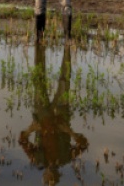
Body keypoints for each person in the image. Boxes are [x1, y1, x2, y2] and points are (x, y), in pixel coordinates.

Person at [19, 44, 88, 184]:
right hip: (61, 114)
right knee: (65, 80)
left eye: (47, 180)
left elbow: (22, 141)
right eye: (53, 180)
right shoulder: (65, 158)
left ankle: (40, 43)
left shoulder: (37, 159)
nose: (50, 177)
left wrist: (30, 129)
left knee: (39, 80)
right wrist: (70, 132)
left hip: (42, 114)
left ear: (44, 176)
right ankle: (67, 47)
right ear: (57, 176)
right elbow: (84, 145)